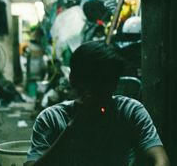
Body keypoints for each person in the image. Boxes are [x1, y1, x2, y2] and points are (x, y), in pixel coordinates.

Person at [24, 41, 169, 166]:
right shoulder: (51, 119)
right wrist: (72, 129)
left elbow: (161, 160)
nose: (100, 93)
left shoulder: (130, 111)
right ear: (73, 80)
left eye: (108, 82)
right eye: (94, 84)